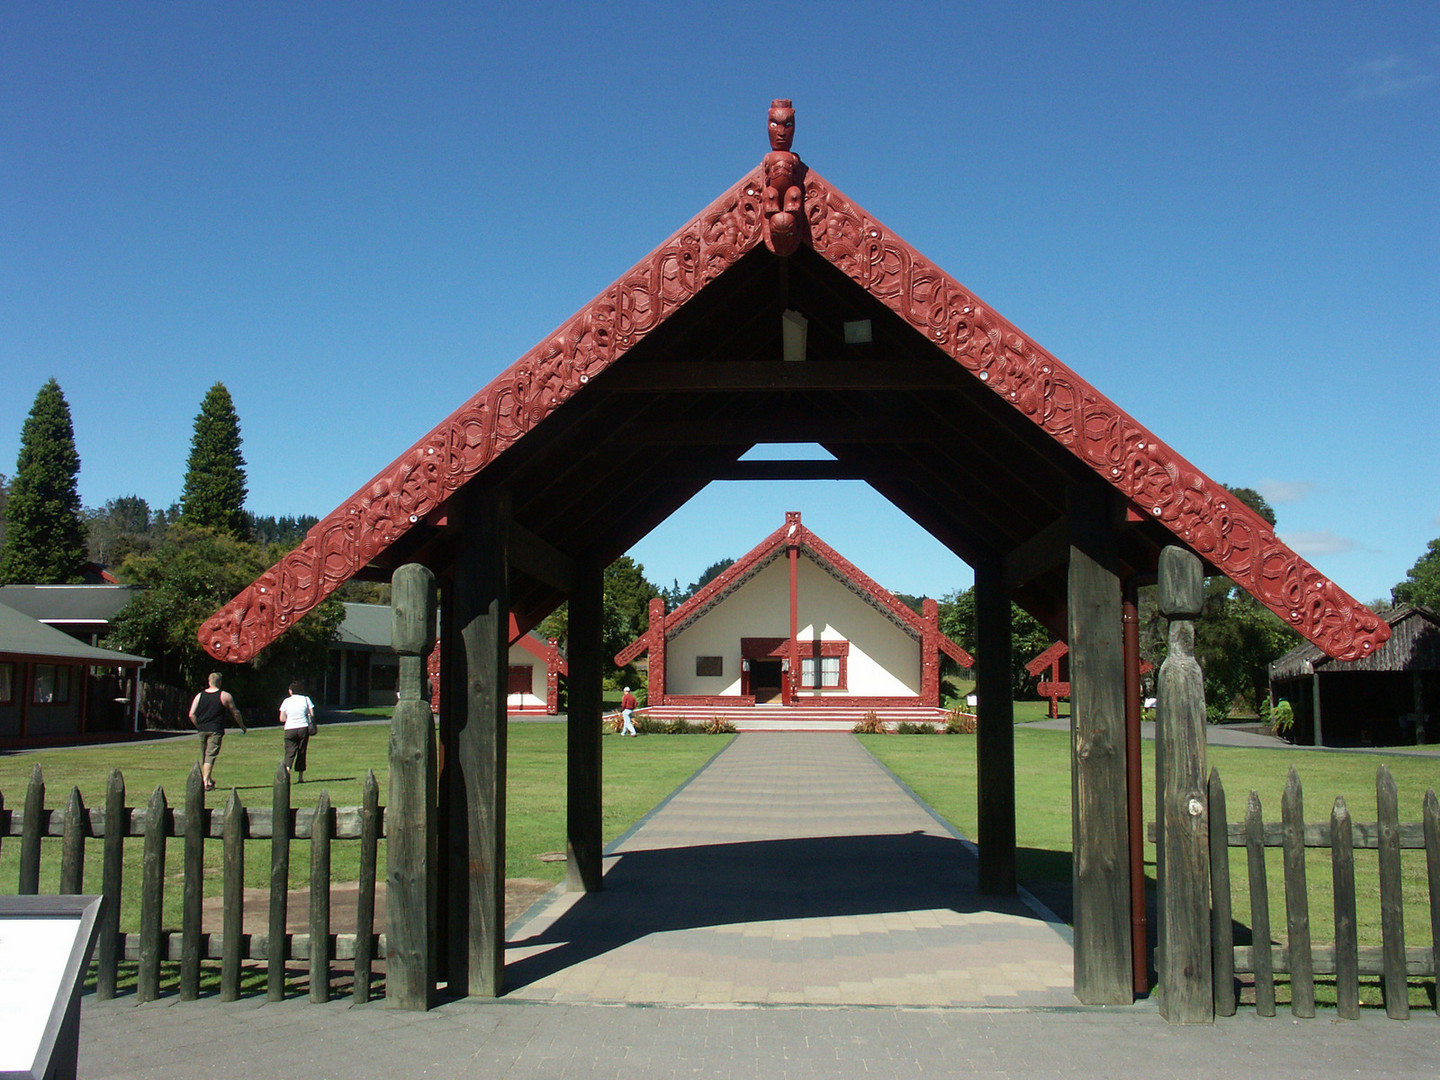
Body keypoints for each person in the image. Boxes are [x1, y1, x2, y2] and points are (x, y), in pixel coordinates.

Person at [189, 672, 246, 792]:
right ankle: (205, 782)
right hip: (215, 729)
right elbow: (235, 712)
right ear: (219, 682)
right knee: (211, 755)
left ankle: (208, 779)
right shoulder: (225, 695)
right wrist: (242, 726)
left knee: (205, 755)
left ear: (209, 681)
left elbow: (191, 714)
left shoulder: (200, 695)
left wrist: (199, 726)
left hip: (202, 729)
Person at [279, 680, 316, 782]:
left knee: (290, 751)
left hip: (290, 728)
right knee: (301, 751)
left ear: (291, 691)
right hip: (303, 727)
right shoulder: (306, 699)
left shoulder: (286, 701)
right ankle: (300, 777)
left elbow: (282, 718)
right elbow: (311, 714)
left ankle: (287, 773)